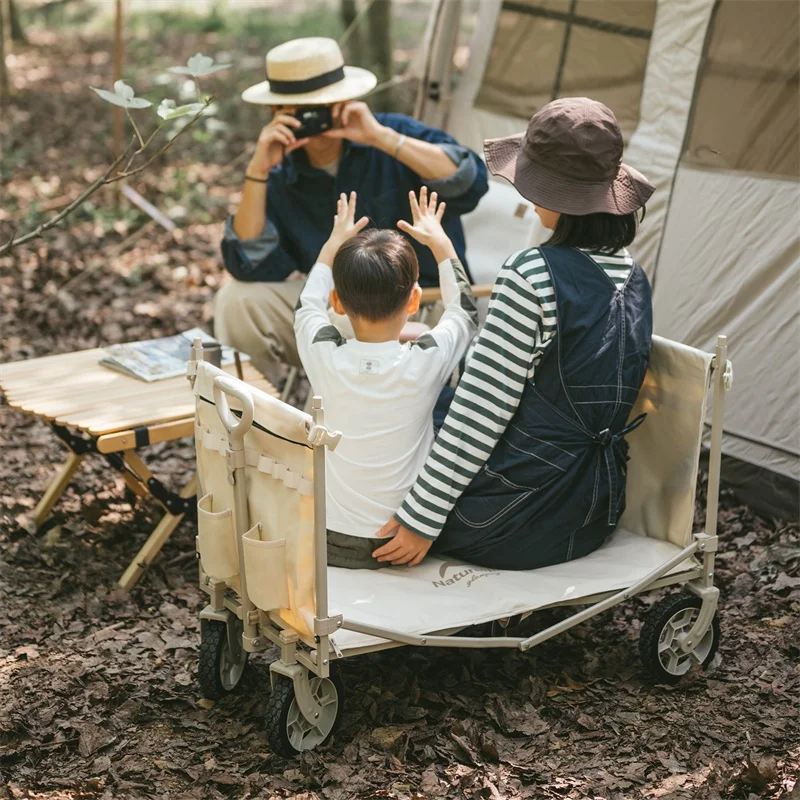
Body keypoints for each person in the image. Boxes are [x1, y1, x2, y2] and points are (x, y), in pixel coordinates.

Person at [373, 97, 656, 570]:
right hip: (593, 509)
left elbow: (480, 410)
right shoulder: (635, 275)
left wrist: (421, 519)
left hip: (512, 518)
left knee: (389, 442)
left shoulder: (532, 273)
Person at [216, 37, 488, 382]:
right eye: (302, 110)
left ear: (346, 99)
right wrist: (257, 171)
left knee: (359, 315)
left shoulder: (392, 133)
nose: (316, 119)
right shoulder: (280, 172)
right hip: (336, 308)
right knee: (235, 300)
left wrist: (381, 138)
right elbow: (248, 264)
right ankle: (255, 425)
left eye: (324, 105)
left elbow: (471, 182)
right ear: (276, 112)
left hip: (418, 307)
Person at [294, 189, 477, 569]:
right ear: (413, 302)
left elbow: (307, 305)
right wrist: (441, 244)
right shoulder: (425, 362)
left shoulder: (323, 355)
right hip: (402, 537)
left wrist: (331, 244)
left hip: (326, 538)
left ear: (338, 304)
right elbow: (464, 311)